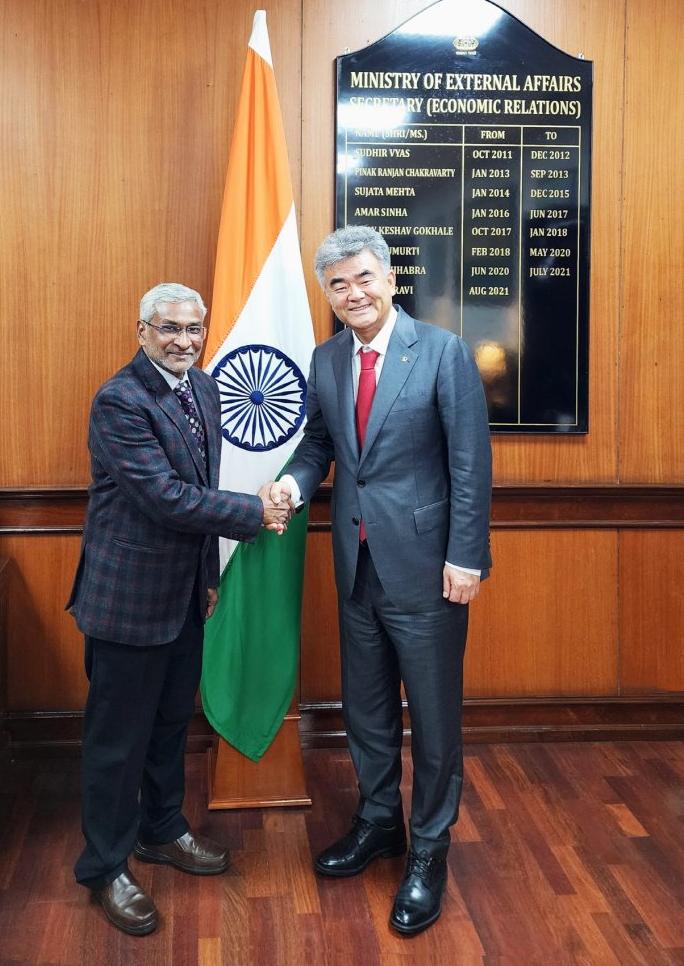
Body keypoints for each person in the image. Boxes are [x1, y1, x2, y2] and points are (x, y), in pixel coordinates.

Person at [270, 226, 492, 935]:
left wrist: (467, 555)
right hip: (356, 565)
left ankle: (428, 848)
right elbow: (321, 445)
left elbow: (469, 464)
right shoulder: (326, 357)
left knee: (431, 720)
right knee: (365, 711)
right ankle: (378, 822)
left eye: (364, 277)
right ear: (329, 295)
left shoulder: (443, 352)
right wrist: (293, 486)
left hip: (428, 569)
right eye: (338, 284)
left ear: (390, 277)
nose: (353, 293)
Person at [66, 282, 291, 936]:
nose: (184, 340)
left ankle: (161, 830)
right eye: (169, 328)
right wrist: (257, 511)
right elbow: (166, 498)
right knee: (117, 746)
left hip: (185, 597)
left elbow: (198, 488)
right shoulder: (119, 400)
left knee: (168, 729)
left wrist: (205, 578)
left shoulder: (207, 388)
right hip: (126, 603)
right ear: (141, 330)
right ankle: (105, 865)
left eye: (195, 328)